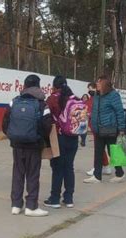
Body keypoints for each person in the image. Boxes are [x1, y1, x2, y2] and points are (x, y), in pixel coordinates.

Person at [2, 75, 52, 217]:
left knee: (17, 173)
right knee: (33, 175)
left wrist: (13, 136)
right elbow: (47, 125)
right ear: (38, 86)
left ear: (24, 86)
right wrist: (39, 138)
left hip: (17, 145)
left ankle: (16, 205)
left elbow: (5, 123)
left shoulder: (14, 102)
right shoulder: (42, 104)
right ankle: (31, 206)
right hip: (34, 145)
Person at [43, 76, 79, 209]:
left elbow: (46, 118)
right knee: (69, 167)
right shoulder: (74, 98)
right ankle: (69, 198)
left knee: (57, 168)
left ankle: (55, 198)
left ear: (54, 86)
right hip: (73, 137)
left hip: (58, 137)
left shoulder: (52, 99)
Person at [84, 75, 126, 184]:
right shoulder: (97, 95)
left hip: (110, 128)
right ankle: (97, 176)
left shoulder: (113, 95)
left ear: (105, 84)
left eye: (99, 82)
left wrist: (121, 129)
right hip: (98, 129)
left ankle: (120, 173)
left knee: (113, 152)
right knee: (98, 152)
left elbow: (120, 112)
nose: (97, 84)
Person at [85, 82, 112, 176]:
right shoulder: (92, 99)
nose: (89, 91)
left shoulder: (98, 99)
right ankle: (106, 166)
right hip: (95, 126)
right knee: (101, 149)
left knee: (100, 149)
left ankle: (97, 168)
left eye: (91, 89)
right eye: (88, 89)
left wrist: (90, 114)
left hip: (99, 126)